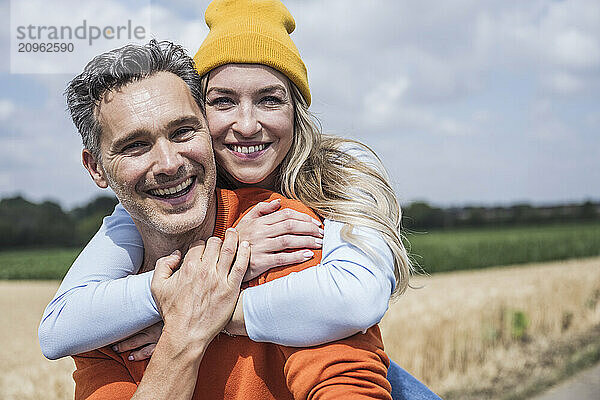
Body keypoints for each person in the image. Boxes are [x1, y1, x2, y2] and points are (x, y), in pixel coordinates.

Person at [39, 1, 441, 399]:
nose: (246, 126)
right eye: (223, 101)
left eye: (269, 99)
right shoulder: (131, 241)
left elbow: (355, 301)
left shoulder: (289, 225)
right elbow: (57, 329)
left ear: (297, 111)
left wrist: (210, 313)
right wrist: (198, 290)